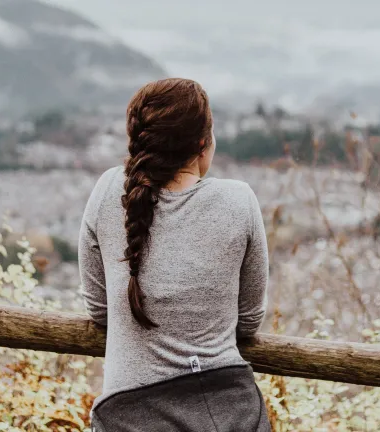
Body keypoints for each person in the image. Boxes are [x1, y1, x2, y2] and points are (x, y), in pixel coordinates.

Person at [78, 78, 271, 431]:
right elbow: (249, 320)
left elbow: (99, 309)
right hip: (227, 413)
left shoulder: (108, 191)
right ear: (203, 142)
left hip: (129, 416)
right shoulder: (239, 201)